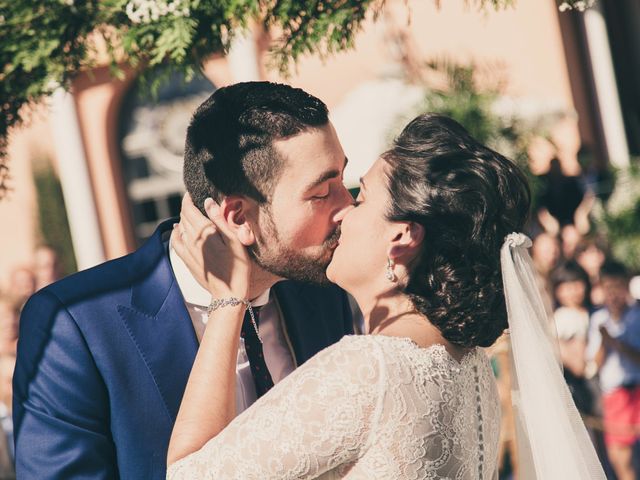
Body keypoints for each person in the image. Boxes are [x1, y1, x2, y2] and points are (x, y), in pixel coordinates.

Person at [166, 114, 606, 479]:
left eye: (361, 198)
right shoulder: (469, 366)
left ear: (401, 239)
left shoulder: (369, 370)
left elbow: (186, 474)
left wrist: (228, 299)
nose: (342, 211)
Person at [13, 82, 354, 479]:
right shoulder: (75, 326)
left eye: (343, 180)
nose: (347, 205)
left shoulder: (321, 288)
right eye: (321, 193)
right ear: (238, 218)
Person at [587, 260, 640, 480]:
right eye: (609, 289)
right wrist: (603, 341)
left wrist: (615, 342)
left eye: (618, 287)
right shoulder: (599, 319)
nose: (614, 295)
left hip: (636, 389)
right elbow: (594, 365)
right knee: (619, 459)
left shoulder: (637, 316)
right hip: (614, 395)